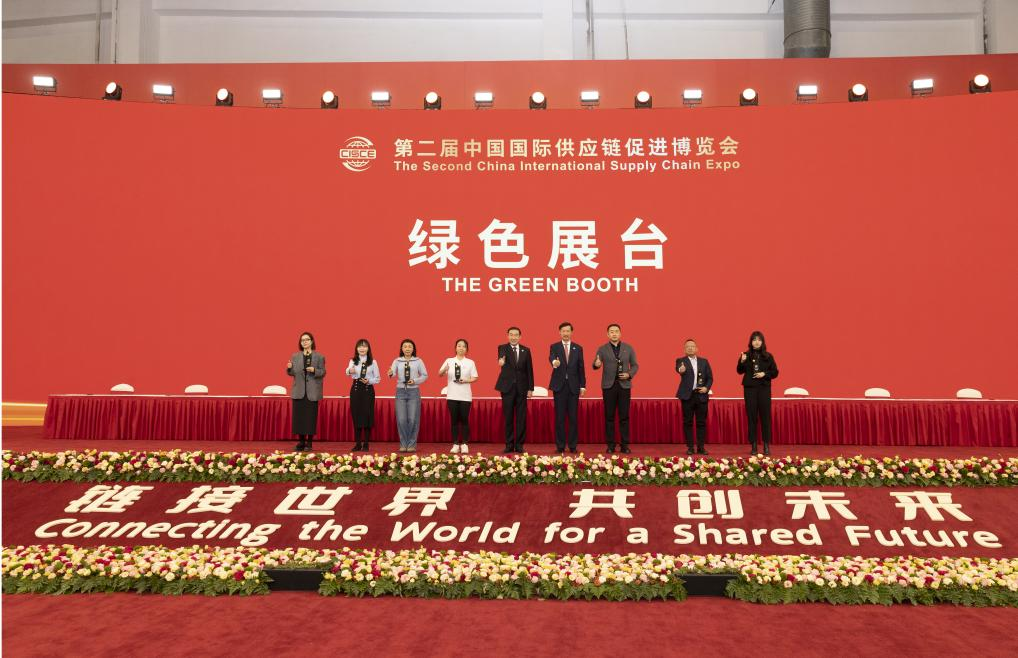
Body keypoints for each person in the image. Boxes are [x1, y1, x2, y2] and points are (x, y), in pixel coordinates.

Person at [592, 323, 639, 454]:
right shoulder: (602, 349)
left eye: (616, 331)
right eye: (611, 332)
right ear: (608, 334)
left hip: (624, 386)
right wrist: (596, 364)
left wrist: (629, 374)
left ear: (620, 333)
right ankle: (611, 445)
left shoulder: (628, 348)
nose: (614, 334)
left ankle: (624, 445)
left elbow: (635, 365)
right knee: (609, 417)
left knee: (624, 416)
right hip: (609, 386)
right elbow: (595, 364)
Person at [737, 330, 779, 455]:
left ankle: (766, 445)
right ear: (751, 342)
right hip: (750, 389)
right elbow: (739, 371)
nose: (756, 342)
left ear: (762, 342)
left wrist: (764, 374)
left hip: (764, 389)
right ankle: (754, 445)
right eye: (754, 340)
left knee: (765, 417)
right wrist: (742, 361)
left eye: (759, 340)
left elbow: (775, 372)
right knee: (752, 417)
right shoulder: (745, 355)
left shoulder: (768, 356)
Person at [494, 326, 534, 453]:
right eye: (511, 334)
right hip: (507, 388)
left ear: (520, 336)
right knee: (508, 417)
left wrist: (530, 388)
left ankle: (520, 445)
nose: (513, 337)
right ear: (507, 336)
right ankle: (509, 444)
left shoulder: (526, 350)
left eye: (516, 335)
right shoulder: (503, 348)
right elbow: (501, 358)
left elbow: (529, 370)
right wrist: (501, 361)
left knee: (521, 417)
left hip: (522, 388)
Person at [549, 321, 585, 454]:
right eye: (563, 331)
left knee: (573, 418)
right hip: (559, 387)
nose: (565, 333)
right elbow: (551, 357)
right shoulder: (554, 346)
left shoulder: (578, 348)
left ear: (571, 332)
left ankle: (573, 445)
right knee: (559, 418)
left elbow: (581, 368)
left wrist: (583, 385)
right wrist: (554, 362)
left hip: (574, 387)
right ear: (560, 332)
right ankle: (560, 445)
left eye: (568, 331)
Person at [286, 331, 326, 452]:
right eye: (302, 340)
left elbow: (323, 372)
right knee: (299, 418)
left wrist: (314, 370)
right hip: (299, 391)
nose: (305, 342)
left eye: (307, 339)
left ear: (312, 341)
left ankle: (309, 442)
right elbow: (293, 373)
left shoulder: (319, 356)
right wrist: (289, 369)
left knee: (310, 418)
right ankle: (301, 441)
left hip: (312, 391)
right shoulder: (295, 356)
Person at [438, 339, 479, 454]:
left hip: (465, 396)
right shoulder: (449, 361)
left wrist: (466, 380)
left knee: (464, 420)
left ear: (466, 349)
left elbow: (475, 377)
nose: (461, 348)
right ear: (455, 348)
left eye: (464, 346)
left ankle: (465, 444)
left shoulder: (470, 362)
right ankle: (455, 444)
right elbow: (440, 374)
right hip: (452, 395)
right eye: (459, 346)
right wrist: (444, 369)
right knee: (454, 420)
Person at [388, 339, 428, 453]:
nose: (407, 349)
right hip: (400, 391)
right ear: (401, 349)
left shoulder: (418, 361)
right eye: (405, 346)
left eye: (409, 346)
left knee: (413, 419)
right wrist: (390, 373)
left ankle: (411, 444)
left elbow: (425, 375)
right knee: (401, 419)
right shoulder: (397, 361)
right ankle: (403, 444)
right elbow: (392, 373)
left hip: (413, 391)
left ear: (413, 349)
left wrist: (414, 381)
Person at [675, 338, 713, 456]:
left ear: (696, 349)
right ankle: (690, 447)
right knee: (688, 422)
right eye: (688, 346)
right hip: (688, 396)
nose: (690, 348)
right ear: (684, 349)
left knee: (701, 422)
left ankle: (701, 447)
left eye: (692, 346)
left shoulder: (704, 361)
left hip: (701, 395)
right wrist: (681, 370)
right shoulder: (681, 360)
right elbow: (679, 369)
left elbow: (710, 378)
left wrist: (706, 388)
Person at [345, 338, 380, 452]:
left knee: (367, 416)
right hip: (356, 389)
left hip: (368, 389)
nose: (362, 348)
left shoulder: (373, 362)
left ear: (368, 348)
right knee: (356, 415)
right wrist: (350, 371)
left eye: (364, 346)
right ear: (356, 348)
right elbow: (347, 371)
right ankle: (358, 443)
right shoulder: (353, 361)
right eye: (360, 346)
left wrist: (369, 381)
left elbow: (378, 378)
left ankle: (366, 443)